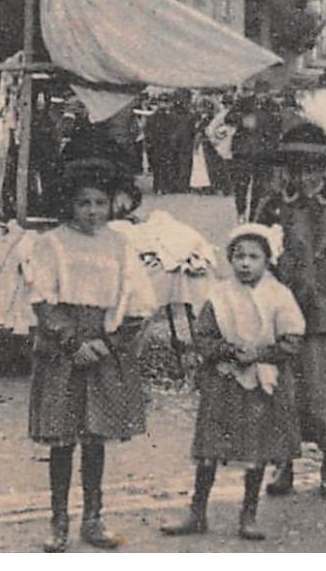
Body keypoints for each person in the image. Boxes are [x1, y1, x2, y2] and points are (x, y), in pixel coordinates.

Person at [23, 159, 148, 552]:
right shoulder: (51, 243)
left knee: (96, 438)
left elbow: (138, 301)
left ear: (112, 204)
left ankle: (92, 518)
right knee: (63, 439)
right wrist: (72, 341)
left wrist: (108, 344)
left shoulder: (121, 245)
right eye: (83, 203)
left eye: (100, 202)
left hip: (104, 348)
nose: (93, 211)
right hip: (65, 351)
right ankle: (58, 521)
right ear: (69, 205)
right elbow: (43, 298)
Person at [162, 225, 304, 540]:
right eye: (238, 256)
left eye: (254, 257)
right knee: (210, 447)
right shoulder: (220, 295)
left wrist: (261, 353)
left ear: (268, 260)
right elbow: (203, 335)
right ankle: (197, 511)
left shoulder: (278, 295)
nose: (245, 263)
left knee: (255, 448)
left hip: (261, 377)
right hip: (224, 378)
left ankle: (248, 514)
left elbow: (293, 339)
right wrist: (228, 350)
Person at [256, 123, 326, 498]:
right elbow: (258, 254)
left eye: (312, 168)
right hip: (284, 311)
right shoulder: (273, 204)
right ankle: (283, 463)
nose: (303, 176)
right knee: (284, 392)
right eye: (294, 168)